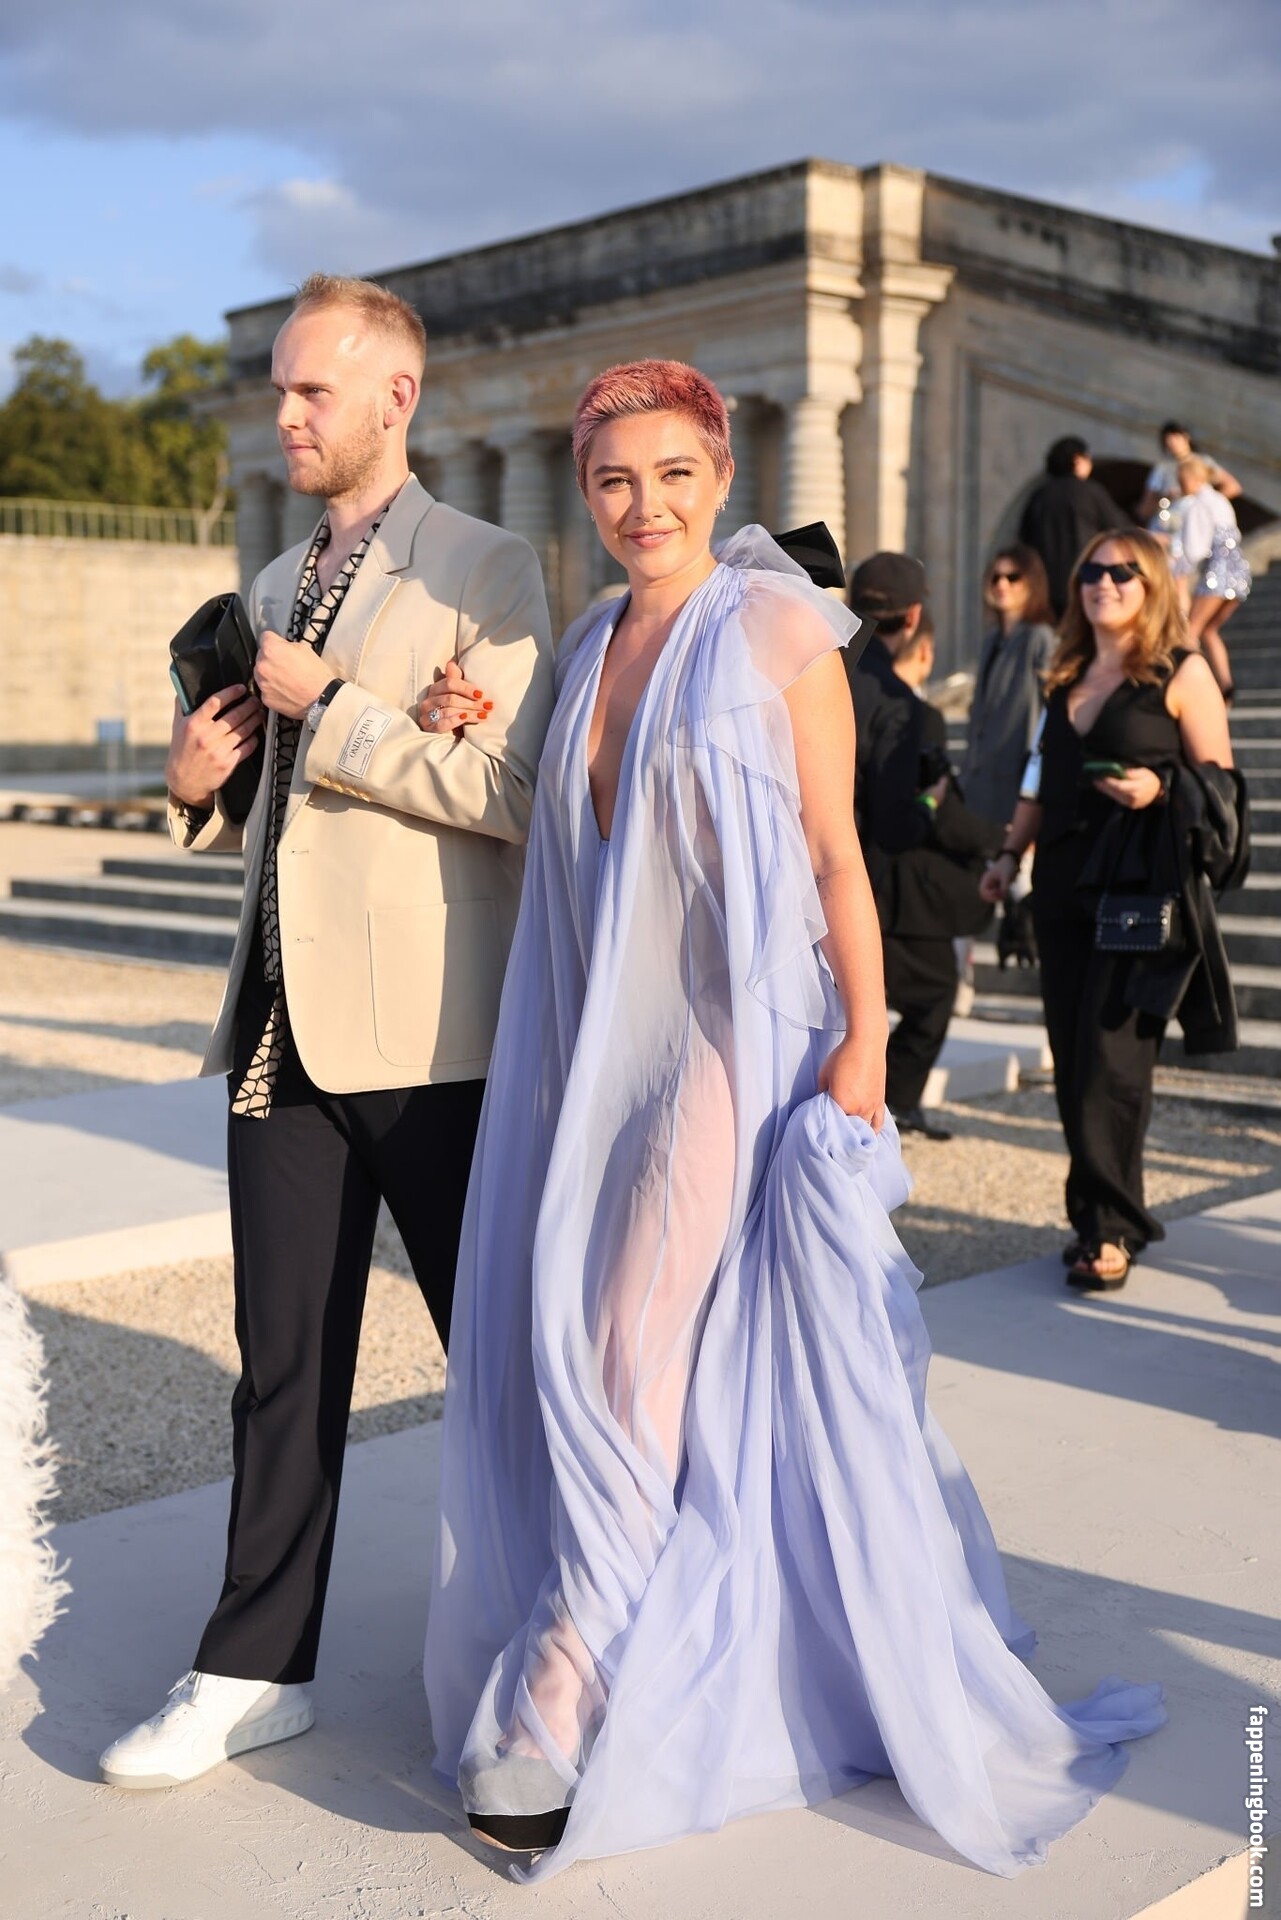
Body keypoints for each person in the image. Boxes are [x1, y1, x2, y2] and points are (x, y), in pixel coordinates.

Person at [424, 359, 1164, 1878]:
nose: (643, 505)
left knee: (621, 1342)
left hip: (730, 1042)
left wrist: (865, 1042)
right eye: (614, 479)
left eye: (672, 475)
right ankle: (638, 1630)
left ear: (721, 476)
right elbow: (566, 829)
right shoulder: (591, 637)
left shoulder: (773, 625)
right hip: (601, 1044)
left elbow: (835, 849)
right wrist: (460, 715)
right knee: (579, 1332)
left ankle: (570, 1673)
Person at [99, 274, 555, 1789]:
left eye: (312, 390)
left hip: (436, 1040)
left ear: (394, 397)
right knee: (282, 1365)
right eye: (279, 390)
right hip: (277, 1027)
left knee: (497, 1361)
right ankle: (251, 1668)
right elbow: (280, 810)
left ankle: (551, 1661)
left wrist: (343, 706)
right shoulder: (266, 578)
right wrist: (194, 788)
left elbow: (513, 796)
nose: (285, 415)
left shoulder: (487, 567)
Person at [981, 531, 1234, 1290]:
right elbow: (1036, 782)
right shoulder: (1062, 676)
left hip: (1139, 890)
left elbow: (1223, 786)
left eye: (1122, 572)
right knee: (1072, 1056)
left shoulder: (1181, 671)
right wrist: (1007, 856)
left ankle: (1109, 1229)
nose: (1104, 583)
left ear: (1150, 583)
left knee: (1112, 1060)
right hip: (1062, 887)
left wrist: (1162, 787)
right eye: (1091, 572)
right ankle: (1095, 1214)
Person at [846, 556, 1002, 1140]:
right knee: (927, 993)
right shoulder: (898, 703)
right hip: (852, 881)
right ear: (912, 618)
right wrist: (931, 804)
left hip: (775, 869)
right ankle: (883, 1112)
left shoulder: (816, 665)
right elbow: (894, 826)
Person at [1018, 436, 1127, 619]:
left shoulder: (1039, 496)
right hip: (1084, 581)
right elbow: (1120, 529)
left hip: (1045, 589)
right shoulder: (1090, 492)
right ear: (1077, 460)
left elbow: (1024, 539)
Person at [1174, 454, 1251, 700]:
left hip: (1217, 572)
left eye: (1182, 479)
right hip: (1239, 572)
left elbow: (1194, 549)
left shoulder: (1197, 505)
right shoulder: (1220, 500)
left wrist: (1175, 562)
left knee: (1189, 634)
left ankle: (1190, 693)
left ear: (1193, 478)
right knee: (1209, 631)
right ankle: (1226, 688)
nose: (1179, 485)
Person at [1137, 421, 1241, 532]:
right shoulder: (1163, 468)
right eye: (1168, 440)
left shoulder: (1203, 463)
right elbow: (1145, 508)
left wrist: (1209, 503)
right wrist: (1166, 499)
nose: (1173, 443)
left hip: (1199, 523)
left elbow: (1233, 486)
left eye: (1176, 438)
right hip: (1171, 524)